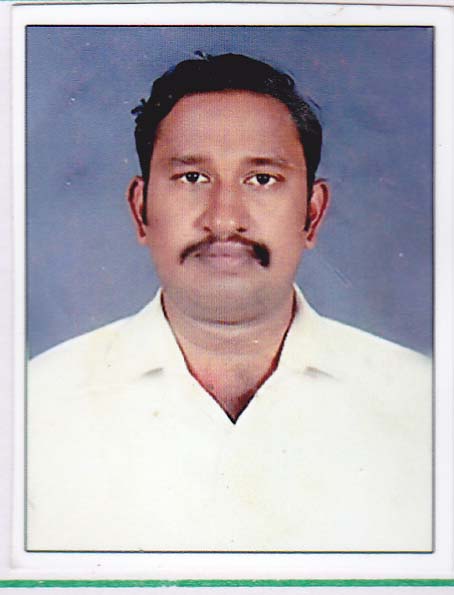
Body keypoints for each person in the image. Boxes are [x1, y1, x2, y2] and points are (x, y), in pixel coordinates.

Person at [27, 53, 431, 553]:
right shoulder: (34, 408)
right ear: (141, 209)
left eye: (261, 179)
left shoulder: (424, 404)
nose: (223, 219)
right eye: (192, 178)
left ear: (312, 214)